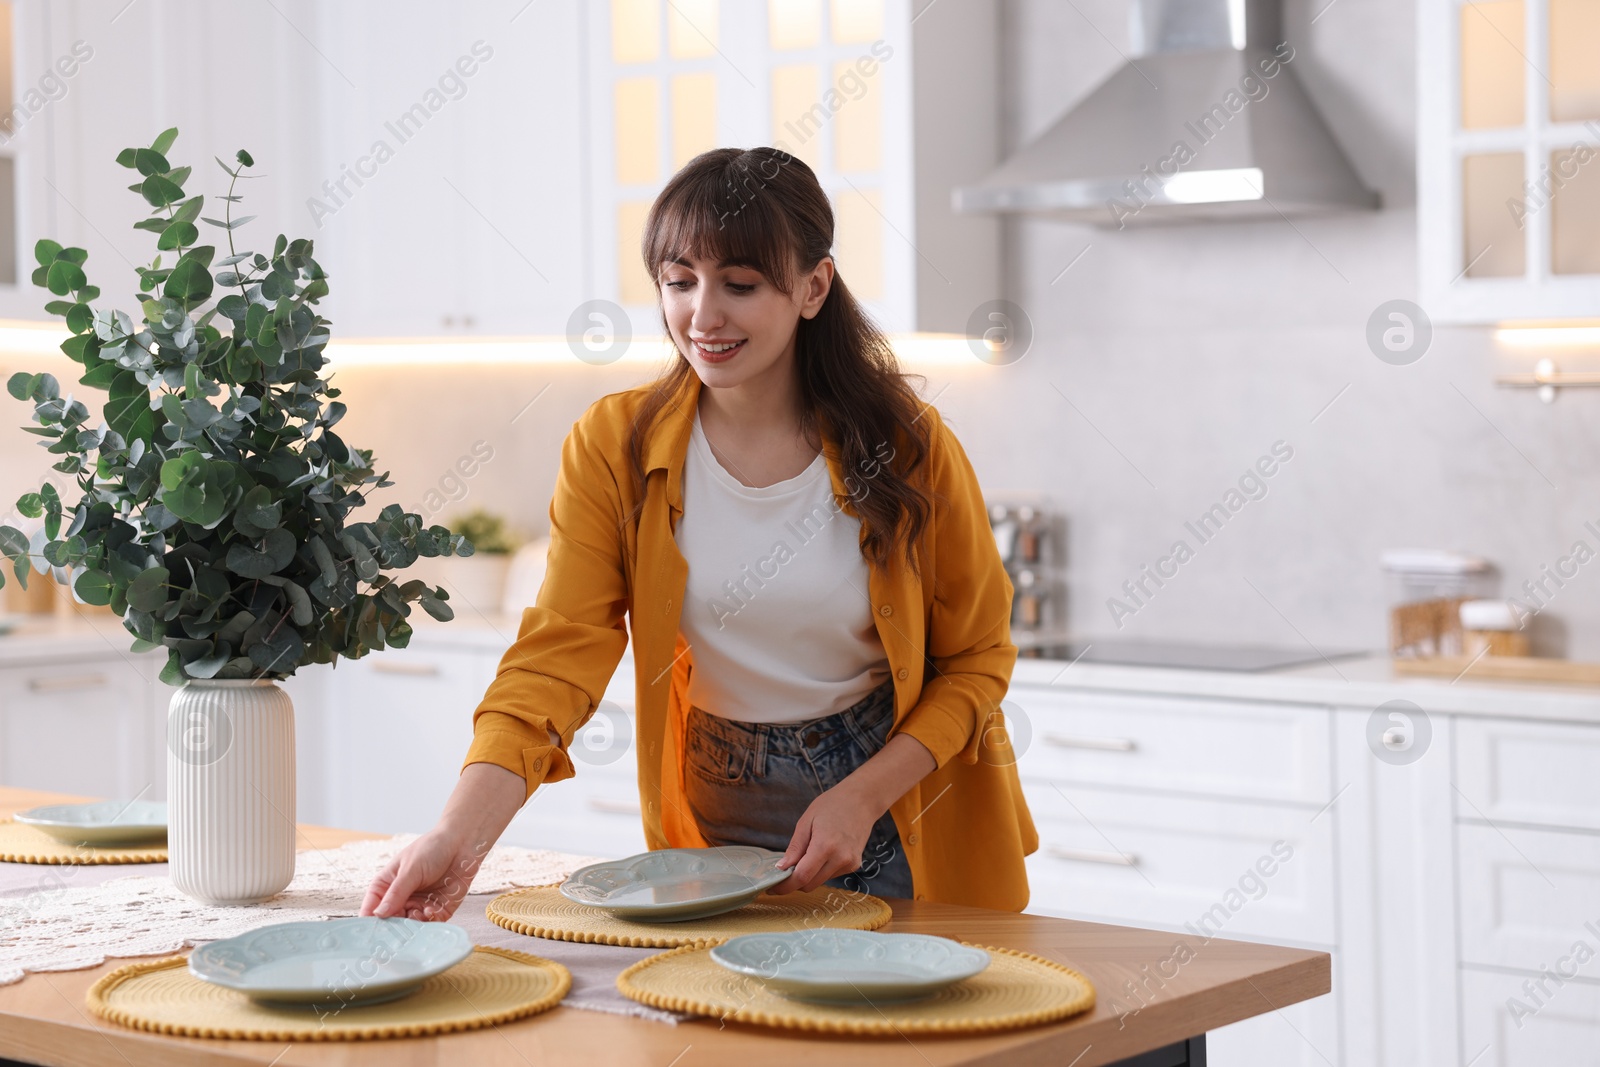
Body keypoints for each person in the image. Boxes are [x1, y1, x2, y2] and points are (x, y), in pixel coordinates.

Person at [360, 147, 1036, 923]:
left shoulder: (908, 443)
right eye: (679, 281)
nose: (702, 315)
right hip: (716, 792)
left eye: (740, 285)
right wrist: (456, 835)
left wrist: (862, 794)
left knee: (890, 1036)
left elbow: (977, 659)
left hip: (893, 793)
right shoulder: (614, 444)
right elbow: (555, 660)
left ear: (813, 287)